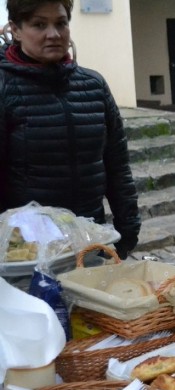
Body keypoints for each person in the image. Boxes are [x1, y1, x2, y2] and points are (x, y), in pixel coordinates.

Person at [0, 0, 140, 259]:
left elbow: (117, 166)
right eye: (39, 24)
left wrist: (127, 231)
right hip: (26, 251)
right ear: (16, 30)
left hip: (90, 240)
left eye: (61, 23)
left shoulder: (93, 86)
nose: (53, 34)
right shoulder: (4, 88)